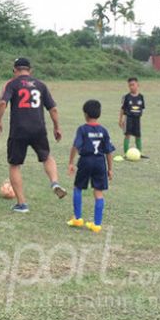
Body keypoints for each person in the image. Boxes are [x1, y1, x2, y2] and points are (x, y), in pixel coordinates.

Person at [0, 57, 66, 213]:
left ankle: (22, 204)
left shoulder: (11, 84)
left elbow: (2, 103)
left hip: (18, 130)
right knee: (47, 157)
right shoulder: (40, 85)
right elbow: (53, 109)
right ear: (30, 70)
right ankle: (54, 182)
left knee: (14, 165)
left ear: (14, 70)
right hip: (38, 128)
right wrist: (57, 127)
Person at [67, 100, 114, 233]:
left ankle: (77, 218)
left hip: (86, 161)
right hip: (100, 162)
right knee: (98, 192)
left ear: (85, 114)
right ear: (99, 114)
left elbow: (75, 146)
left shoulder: (82, 129)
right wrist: (110, 169)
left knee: (78, 187)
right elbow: (109, 151)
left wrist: (71, 162)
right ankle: (97, 225)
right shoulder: (103, 130)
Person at [119, 77, 149, 159]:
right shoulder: (126, 97)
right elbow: (122, 109)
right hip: (128, 118)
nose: (131, 87)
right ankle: (125, 154)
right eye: (130, 85)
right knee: (127, 135)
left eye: (133, 85)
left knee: (138, 136)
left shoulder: (141, 97)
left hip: (137, 119)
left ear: (137, 85)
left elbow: (141, 108)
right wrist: (120, 120)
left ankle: (139, 153)